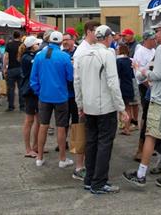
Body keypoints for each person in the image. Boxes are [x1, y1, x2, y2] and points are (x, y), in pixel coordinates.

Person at [123, 21, 161, 191]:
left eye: (157, 31)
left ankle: (141, 174)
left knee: (151, 135)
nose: (155, 35)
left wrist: (141, 70)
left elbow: (156, 74)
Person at [74, 25, 129, 194]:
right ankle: (99, 182)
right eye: (111, 36)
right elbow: (113, 83)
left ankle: (90, 180)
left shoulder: (82, 54)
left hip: (89, 106)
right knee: (104, 144)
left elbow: (77, 81)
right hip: (105, 107)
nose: (112, 39)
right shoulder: (107, 54)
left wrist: (80, 104)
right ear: (107, 38)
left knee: (91, 143)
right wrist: (122, 108)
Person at [30, 31, 74, 168]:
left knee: (43, 125)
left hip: (44, 96)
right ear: (61, 42)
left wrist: (39, 91)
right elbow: (70, 77)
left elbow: (33, 78)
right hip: (61, 96)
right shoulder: (64, 56)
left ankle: (39, 157)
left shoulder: (39, 55)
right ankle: (62, 159)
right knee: (61, 126)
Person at [61, 29, 86, 180]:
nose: (65, 42)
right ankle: (63, 146)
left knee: (76, 124)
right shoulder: (61, 53)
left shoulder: (79, 52)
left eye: (67, 39)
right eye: (63, 39)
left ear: (73, 39)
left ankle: (77, 147)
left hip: (76, 95)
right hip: (64, 95)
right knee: (63, 123)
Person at [132, 30, 157, 161]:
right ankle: (140, 149)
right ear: (146, 40)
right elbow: (138, 74)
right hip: (145, 86)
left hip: (152, 85)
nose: (155, 41)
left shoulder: (154, 51)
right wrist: (149, 84)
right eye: (153, 39)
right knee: (146, 116)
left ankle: (149, 145)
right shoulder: (140, 51)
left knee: (150, 118)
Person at [19, 36, 41, 158]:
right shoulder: (27, 57)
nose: (39, 46)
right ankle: (28, 149)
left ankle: (36, 145)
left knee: (38, 120)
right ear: (33, 46)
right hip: (29, 91)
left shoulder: (32, 56)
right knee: (29, 120)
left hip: (35, 91)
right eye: (37, 44)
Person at [115, 43, 136, 135]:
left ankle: (125, 127)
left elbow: (117, 75)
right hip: (129, 86)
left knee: (123, 108)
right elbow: (132, 75)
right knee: (128, 108)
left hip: (121, 86)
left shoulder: (118, 61)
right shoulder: (130, 60)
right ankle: (127, 127)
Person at [4, 31, 24, 111]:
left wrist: (5, 68)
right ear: (19, 36)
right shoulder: (22, 45)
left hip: (11, 68)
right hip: (20, 68)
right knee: (21, 88)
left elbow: (6, 57)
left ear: (13, 36)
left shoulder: (9, 45)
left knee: (10, 89)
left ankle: (11, 106)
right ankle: (22, 106)